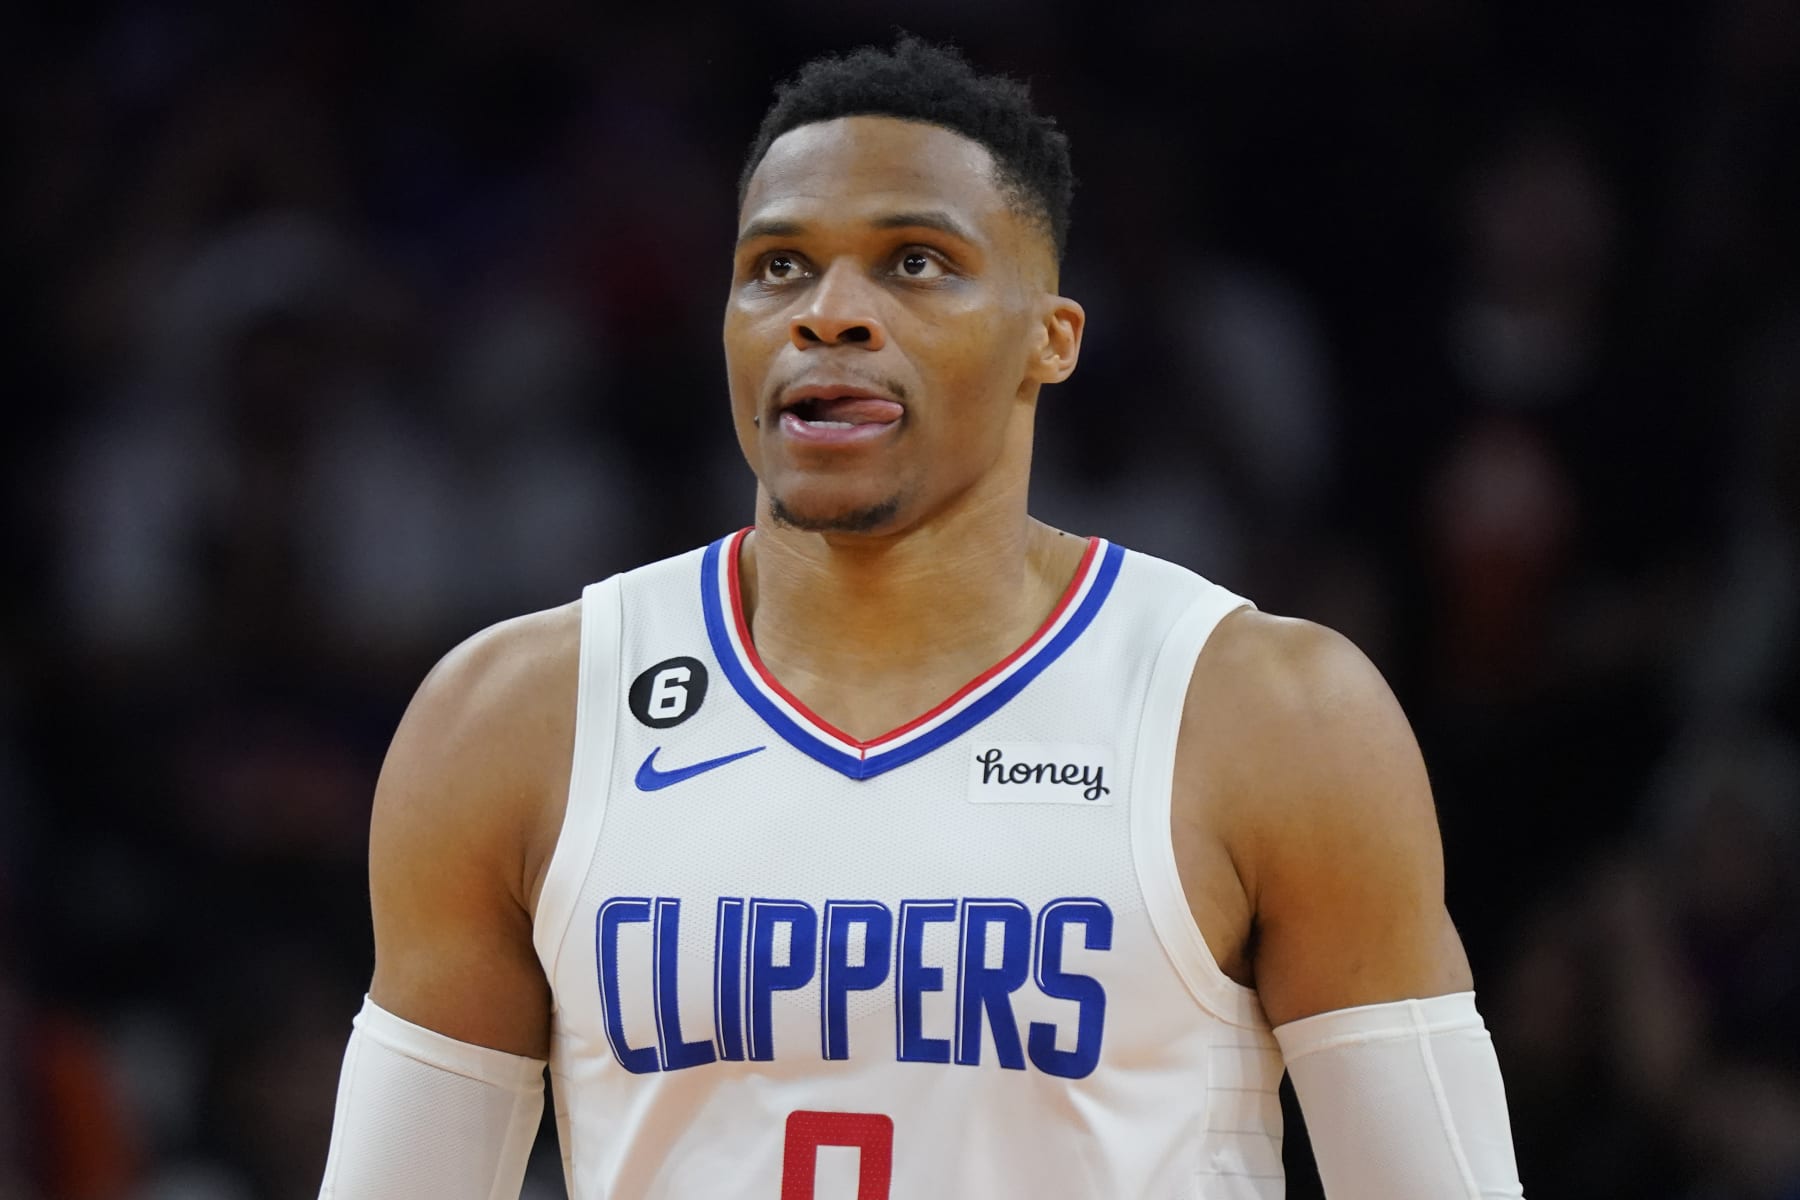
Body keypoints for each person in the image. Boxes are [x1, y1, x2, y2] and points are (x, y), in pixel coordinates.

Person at [317, 36, 1526, 1199]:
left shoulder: (1268, 713)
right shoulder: (514, 717)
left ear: (1047, 341)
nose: (829, 312)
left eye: (915, 262)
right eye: (777, 267)